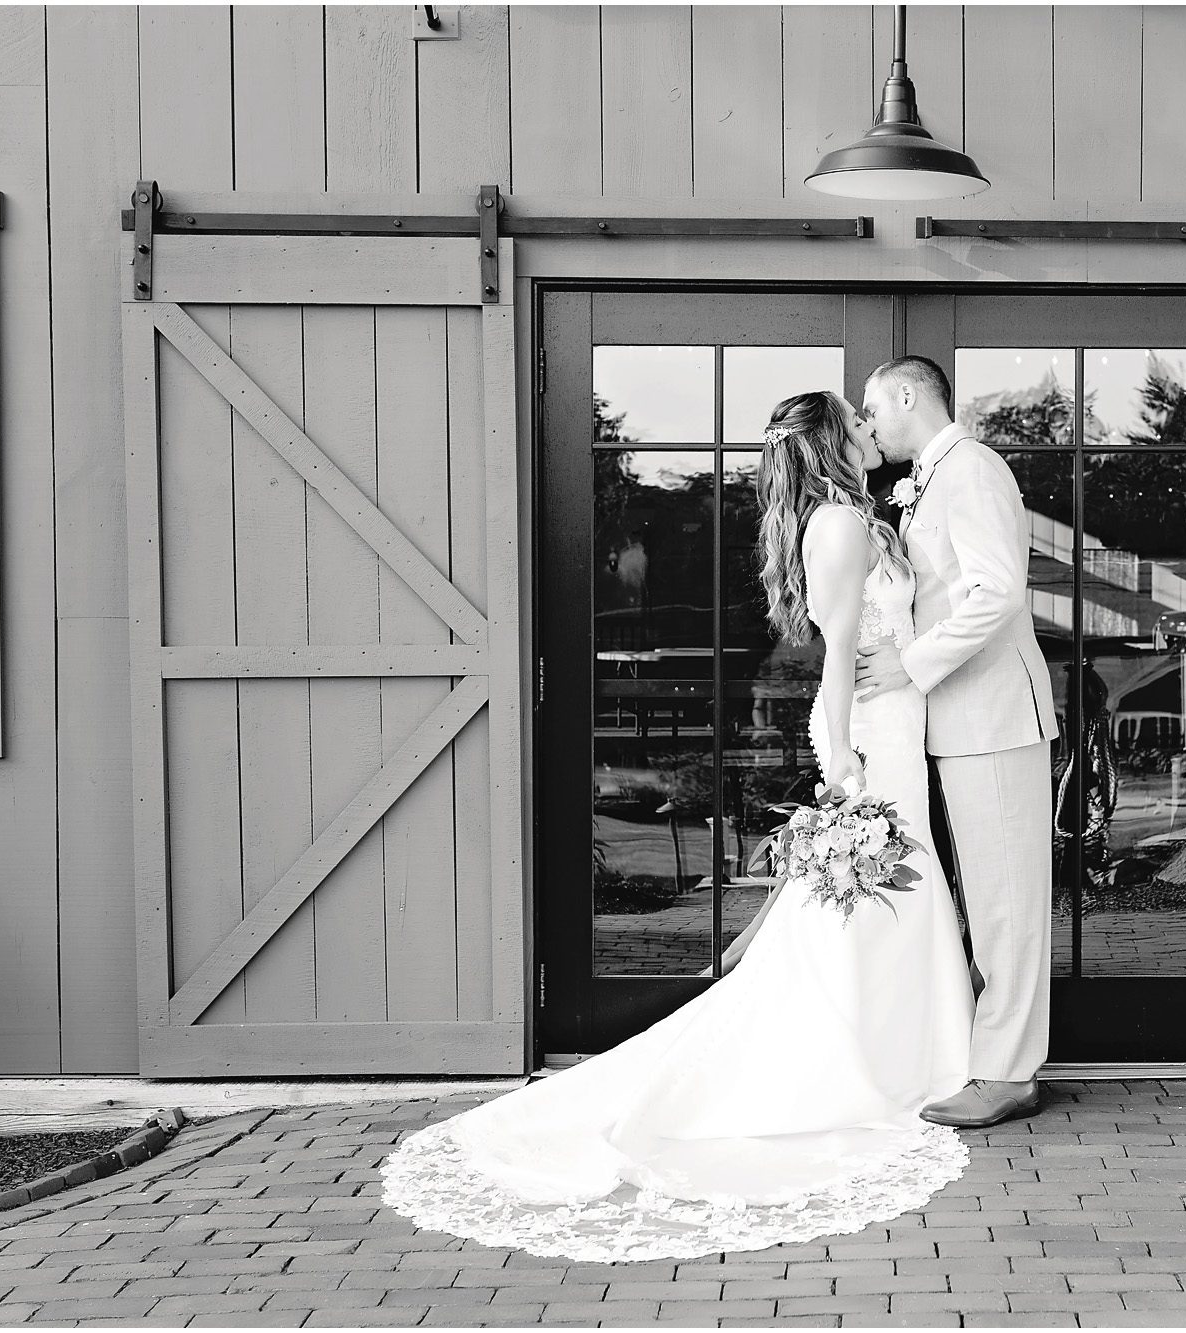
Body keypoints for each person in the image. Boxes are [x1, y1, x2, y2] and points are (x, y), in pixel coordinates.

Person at [378, 390, 975, 1264]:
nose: (867, 427)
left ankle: (904, 1056)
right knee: (867, 906)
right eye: (854, 420)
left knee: (876, 907)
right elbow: (838, 649)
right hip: (871, 736)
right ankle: (868, 1068)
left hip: (896, 724)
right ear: (828, 443)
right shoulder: (841, 527)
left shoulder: (856, 517)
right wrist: (842, 760)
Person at [854, 355, 1060, 1129]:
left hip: (996, 717)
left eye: (873, 406)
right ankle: (995, 1053)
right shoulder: (929, 479)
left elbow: (998, 591)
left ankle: (1008, 1072)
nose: (868, 421)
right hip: (962, 721)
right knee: (989, 896)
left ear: (908, 394)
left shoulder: (972, 469)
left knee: (1008, 901)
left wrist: (909, 665)